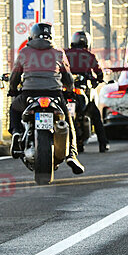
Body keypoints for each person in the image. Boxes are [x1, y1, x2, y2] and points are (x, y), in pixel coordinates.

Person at [8, 23, 84, 174]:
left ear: (32, 35)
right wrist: (69, 91)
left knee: (14, 109)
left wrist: (12, 89)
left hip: (29, 94)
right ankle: (71, 155)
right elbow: (67, 77)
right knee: (68, 123)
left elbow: (15, 75)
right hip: (54, 95)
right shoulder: (58, 52)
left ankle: (16, 132)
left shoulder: (24, 52)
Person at [64, 31, 110, 153]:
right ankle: (103, 144)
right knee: (95, 115)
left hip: (65, 90)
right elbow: (99, 73)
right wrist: (98, 79)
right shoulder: (89, 55)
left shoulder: (64, 53)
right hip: (81, 91)